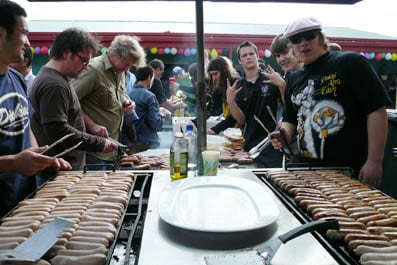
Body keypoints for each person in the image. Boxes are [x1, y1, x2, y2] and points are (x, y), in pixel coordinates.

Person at [270, 17, 391, 187]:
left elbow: (376, 110)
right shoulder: (293, 78)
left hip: (348, 170)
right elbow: (290, 119)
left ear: (320, 37)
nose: (303, 43)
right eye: (296, 39)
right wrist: (283, 134)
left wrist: (374, 161)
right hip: (306, 171)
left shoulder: (350, 62)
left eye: (309, 36)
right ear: (292, 45)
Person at [0, 0, 71, 216]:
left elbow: (25, 124)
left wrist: (42, 157)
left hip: (23, 198)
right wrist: (13, 163)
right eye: (23, 33)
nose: (28, 42)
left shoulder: (16, 79)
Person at [30, 27, 118, 172]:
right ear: (66, 53)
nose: (85, 67)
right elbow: (57, 130)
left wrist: (90, 128)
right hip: (60, 170)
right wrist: (98, 143)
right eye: (83, 60)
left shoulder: (55, 78)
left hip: (65, 166)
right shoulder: (55, 85)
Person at [71, 35, 146, 168]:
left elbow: (117, 94)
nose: (127, 69)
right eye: (126, 64)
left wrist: (126, 102)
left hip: (112, 149)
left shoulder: (120, 71)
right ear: (115, 54)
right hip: (93, 152)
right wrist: (92, 125)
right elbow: (69, 101)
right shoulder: (93, 70)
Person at [226, 41, 283, 167]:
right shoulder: (239, 86)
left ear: (257, 56)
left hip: (272, 143)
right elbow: (241, 120)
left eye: (251, 54)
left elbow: (287, 105)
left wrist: (282, 85)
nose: (248, 57)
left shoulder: (270, 78)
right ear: (240, 61)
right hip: (250, 145)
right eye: (244, 55)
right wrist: (231, 102)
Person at [265, 33, 302, 120]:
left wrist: (282, 85)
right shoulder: (288, 75)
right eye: (278, 56)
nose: (281, 59)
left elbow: (294, 111)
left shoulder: (307, 74)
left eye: (285, 53)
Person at [129, 66, 162, 148]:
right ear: (149, 77)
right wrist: (162, 117)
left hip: (131, 141)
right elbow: (155, 123)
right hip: (148, 142)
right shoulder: (149, 96)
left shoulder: (128, 94)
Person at [207, 56, 240, 135]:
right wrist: (195, 121)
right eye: (211, 75)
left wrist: (215, 129)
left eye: (216, 74)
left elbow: (234, 117)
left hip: (240, 130)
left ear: (225, 71)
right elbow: (210, 110)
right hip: (230, 131)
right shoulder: (219, 89)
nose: (213, 78)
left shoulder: (237, 84)